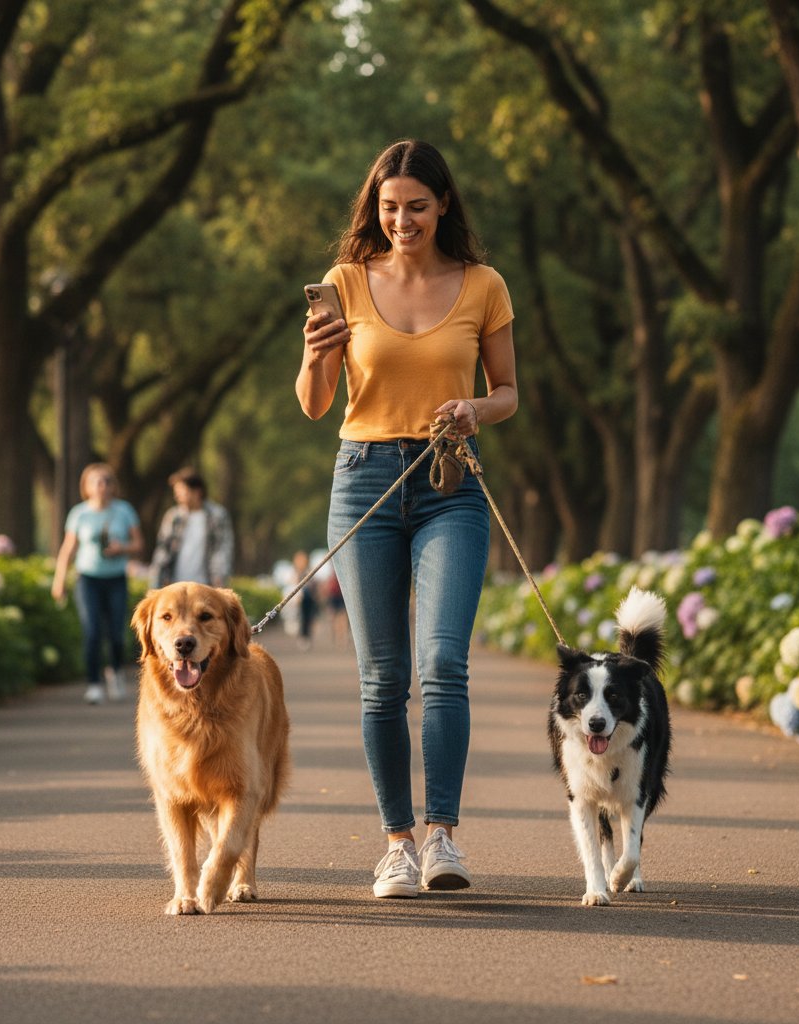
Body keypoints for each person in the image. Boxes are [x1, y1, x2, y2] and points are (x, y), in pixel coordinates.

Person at [295, 139, 518, 898]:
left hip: (450, 484)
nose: (402, 221)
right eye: (389, 208)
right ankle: (396, 842)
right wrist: (317, 353)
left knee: (443, 665)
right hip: (364, 482)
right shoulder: (344, 283)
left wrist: (475, 407)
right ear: (375, 208)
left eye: (417, 207)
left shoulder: (483, 283)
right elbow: (316, 403)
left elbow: (509, 391)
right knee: (382, 678)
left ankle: (443, 837)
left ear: (443, 205)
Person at [51, 463, 144, 704]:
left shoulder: (124, 511)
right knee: (92, 631)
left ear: (114, 486)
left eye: (107, 481)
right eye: (97, 481)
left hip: (116, 578)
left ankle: (114, 671)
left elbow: (138, 544)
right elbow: (68, 548)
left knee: (116, 633)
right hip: (87, 578)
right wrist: (59, 579)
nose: (102, 486)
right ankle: (93, 684)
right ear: (87, 487)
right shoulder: (79, 514)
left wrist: (122, 548)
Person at [149, 467, 234, 588]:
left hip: (206, 584)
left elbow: (222, 551)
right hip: (175, 583)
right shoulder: (173, 517)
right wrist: (157, 581)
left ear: (197, 491)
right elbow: (162, 551)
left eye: (181, 490)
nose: (176, 496)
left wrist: (219, 579)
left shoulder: (217, 516)